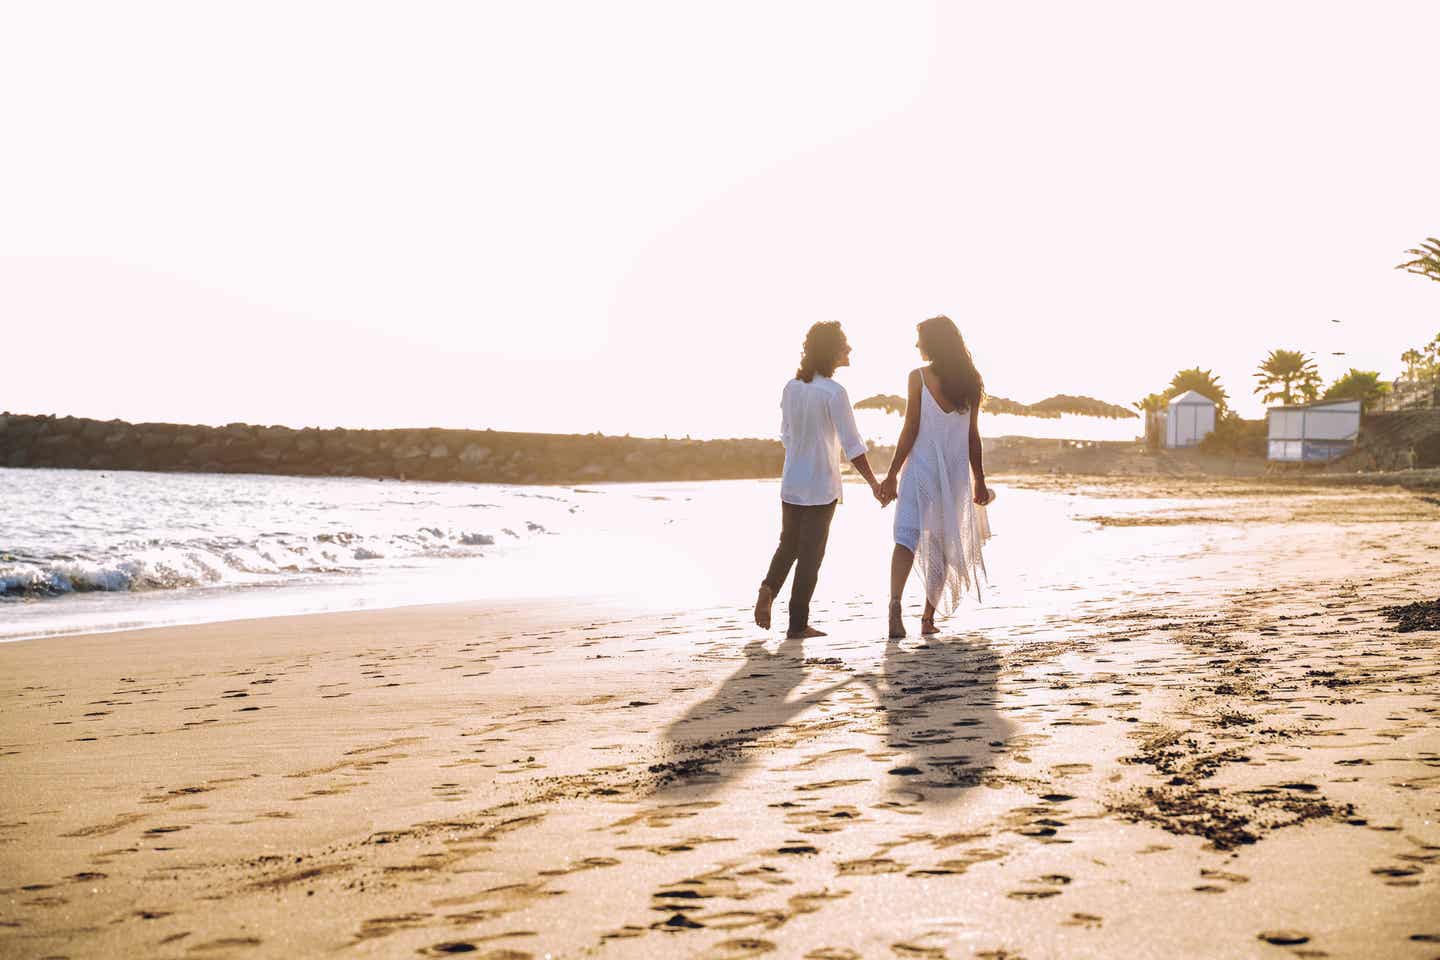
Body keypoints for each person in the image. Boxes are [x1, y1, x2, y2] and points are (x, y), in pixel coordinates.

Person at [755, 321, 885, 638]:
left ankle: (768, 588)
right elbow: (853, 445)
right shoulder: (835, 393)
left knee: (788, 545)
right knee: (811, 555)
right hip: (821, 484)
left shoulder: (791, 387)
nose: (850, 349)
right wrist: (873, 484)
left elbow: (786, 436)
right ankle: (797, 625)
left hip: (792, 480)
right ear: (832, 350)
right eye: (844, 344)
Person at [879, 315, 993, 639]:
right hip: (955, 474)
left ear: (933, 342)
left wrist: (891, 474)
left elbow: (911, 428)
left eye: (921, 339)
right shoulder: (971, 381)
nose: (917, 346)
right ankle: (927, 619)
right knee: (942, 543)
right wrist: (979, 478)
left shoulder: (918, 377)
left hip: (920, 469)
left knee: (906, 538)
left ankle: (895, 604)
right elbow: (973, 436)